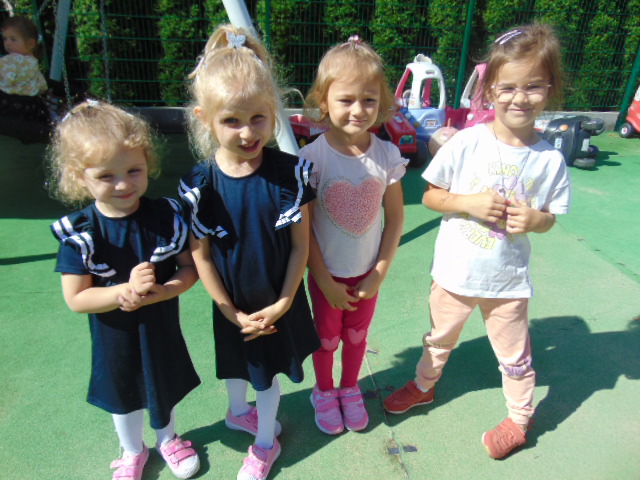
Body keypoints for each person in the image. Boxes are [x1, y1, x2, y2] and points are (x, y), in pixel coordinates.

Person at [383, 23, 571, 460]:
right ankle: (424, 386)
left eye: (533, 86)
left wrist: (535, 220)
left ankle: (519, 419)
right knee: (438, 338)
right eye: (508, 87)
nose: (519, 98)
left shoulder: (550, 160)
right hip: (455, 274)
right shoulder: (467, 143)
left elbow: (550, 219)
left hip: (507, 283)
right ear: (489, 90)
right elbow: (430, 196)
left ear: (551, 88)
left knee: (516, 357)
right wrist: (468, 203)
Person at [179, 25, 320, 480]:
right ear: (205, 118)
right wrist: (228, 310)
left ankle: (264, 444)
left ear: (273, 110)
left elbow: (300, 244)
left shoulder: (290, 174)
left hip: (277, 301)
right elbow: (201, 256)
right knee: (237, 368)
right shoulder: (200, 185)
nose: (247, 132)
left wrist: (283, 303)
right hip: (232, 306)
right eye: (231, 121)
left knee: (267, 375)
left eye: (259, 117)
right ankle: (238, 413)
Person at [48, 100, 201, 480]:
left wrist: (167, 290)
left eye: (134, 170)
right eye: (106, 176)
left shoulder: (165, 217)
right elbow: (76, 298)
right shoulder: (81, 233)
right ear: (79, 176)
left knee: (162, 382)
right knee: (122, 392)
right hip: (113, 335)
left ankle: (168, 438)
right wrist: (123, 292)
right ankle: (133, 449)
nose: (123, 184)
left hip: (159, 328)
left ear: (148, 163)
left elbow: (188, 269)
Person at [301, 36, 406, 435]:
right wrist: (324, 280)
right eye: (346, 99)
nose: (358, 110)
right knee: (326, 338)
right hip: (325, 276)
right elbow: (304, 229)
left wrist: (379, 272)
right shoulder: (311, 159)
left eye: (369, 99)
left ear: (382, 102)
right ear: (323, 101)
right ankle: (324, 390)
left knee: (357, 337)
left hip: (367, 276)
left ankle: (349, 388)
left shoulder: (387, 156)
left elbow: (395, 219)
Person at [0, 15, 48, 122]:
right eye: (5, 39)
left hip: (8, 106)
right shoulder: (34, 63)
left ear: (30, 43)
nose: (8, 43)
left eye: (13, 39)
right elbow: (42, 86)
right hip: (30, 109)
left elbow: (6, 78)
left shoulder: (12, 60)